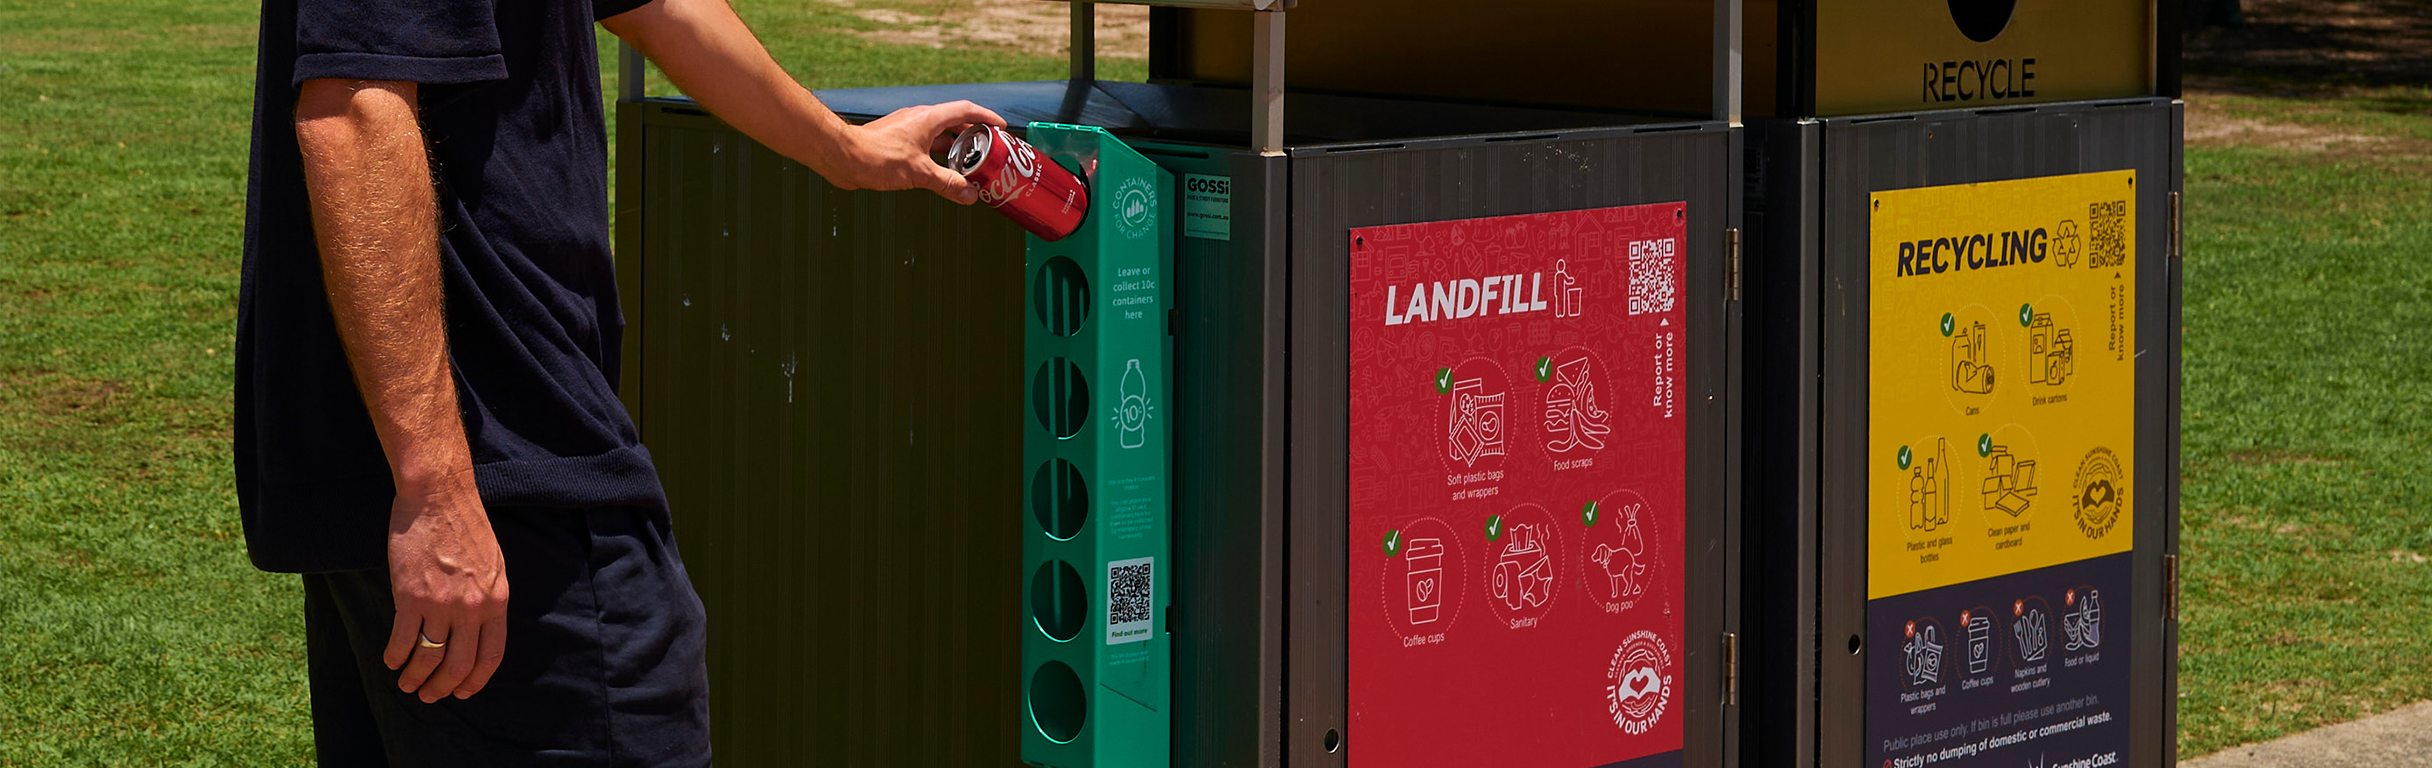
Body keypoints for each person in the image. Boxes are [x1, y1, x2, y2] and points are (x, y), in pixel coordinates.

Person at [235, 0, 1002, 763]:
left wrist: (846, 150)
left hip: (428, 466)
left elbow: (658, 5)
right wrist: (435, 489)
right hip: (493, 466)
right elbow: (356, 112)